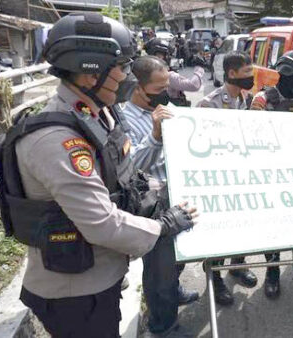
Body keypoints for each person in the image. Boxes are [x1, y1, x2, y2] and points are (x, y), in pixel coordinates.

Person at [0, 13, 197, 337]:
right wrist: (162, 226)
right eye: (120, 65)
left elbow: (124, 175)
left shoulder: (96, 112)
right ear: (90, 72)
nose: (126, 74)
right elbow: (101, 222)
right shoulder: (58, 142)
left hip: (99, 271)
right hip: (76, 291)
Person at [118, 55, 199, 336]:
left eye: (167, 85)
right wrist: (154, 135)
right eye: (158, 88)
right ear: (137, 87)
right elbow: (130, 168)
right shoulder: (123, 119)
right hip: (153, 205)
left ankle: (173, 292)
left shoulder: (168, 107)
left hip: (178, 193)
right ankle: (163, 326)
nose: (165, 93)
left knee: (178, 256)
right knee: (160, 270)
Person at [249, 50, 293, 298]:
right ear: (289, 75)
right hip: (270, 176)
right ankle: (273, 271)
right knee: (274, 230)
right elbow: (250, 136)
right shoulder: (263, 100)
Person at [196, 51, 257, 305]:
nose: (251, 77)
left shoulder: (247, 99)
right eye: (247, 73)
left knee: (243, 226)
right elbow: (199, 146)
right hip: (217, 180)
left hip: (242, 176)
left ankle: (238, 265)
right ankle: (216, 277)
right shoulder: (208, 104)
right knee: (219, 233)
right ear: (231, 74)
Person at [144, 38, 204, 106]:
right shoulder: (168, 76)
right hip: (172, 112)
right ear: (159, 56)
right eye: (166, 54)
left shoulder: (145, 72)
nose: (169, 57)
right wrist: (199, 68)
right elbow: (193, 85)